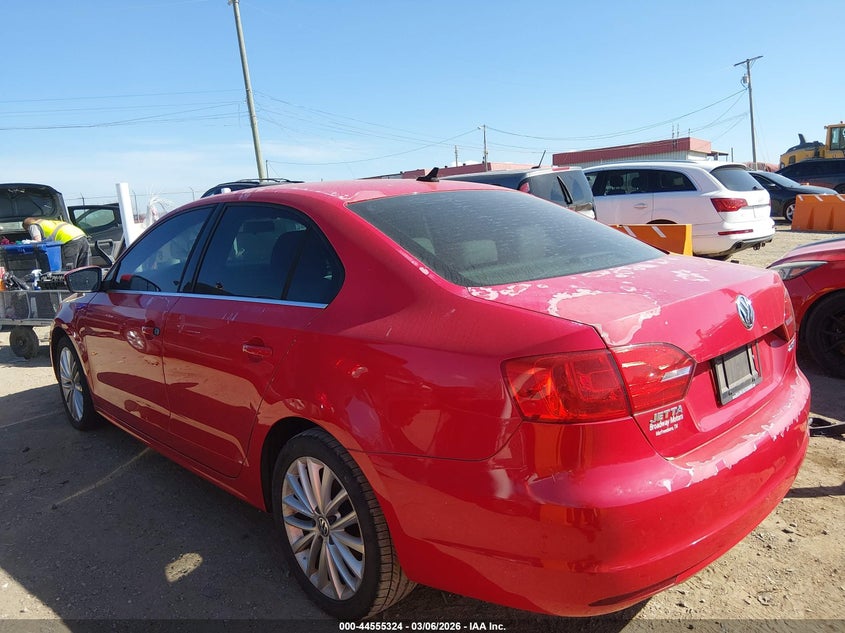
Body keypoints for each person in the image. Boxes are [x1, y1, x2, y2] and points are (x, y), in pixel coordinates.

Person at [22, 217, 90, 270]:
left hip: (69, 240)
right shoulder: (47, 222)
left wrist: (27, 242)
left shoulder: (33, 226)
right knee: (83, 266)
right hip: (81, 236)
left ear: (27, 227)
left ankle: (68, 287)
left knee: (68, 269)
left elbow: (37, 241)